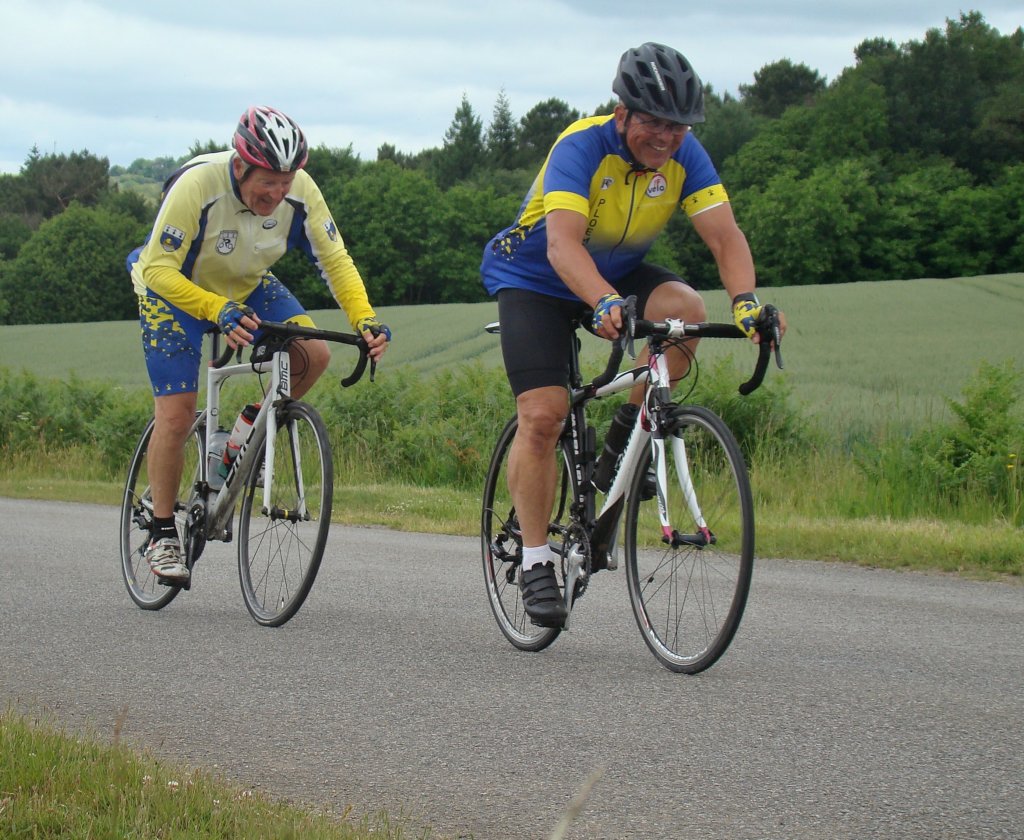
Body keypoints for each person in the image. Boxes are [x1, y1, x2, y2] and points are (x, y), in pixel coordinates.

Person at [480, 42, 786, 627]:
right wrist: (599, 300)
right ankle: (537, 559)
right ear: (622, 113)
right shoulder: (581, 146)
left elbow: (725, 236)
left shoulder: (685, 155)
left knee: (685, 312)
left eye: (678, 125)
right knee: (543, 415)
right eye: (653, 122)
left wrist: (746, 303)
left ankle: (623, 440)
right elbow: (562, 245)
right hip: (535, 278)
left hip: (615, 273)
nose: (666, 137)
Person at [128, 105, 390, 584]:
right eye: (267, 182)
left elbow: (335, 260)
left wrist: (365, 318)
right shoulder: (199, 185)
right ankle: (162, 531)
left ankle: (243, 434)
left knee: (313, 354)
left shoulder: (302, 191)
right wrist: (215, 309)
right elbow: (156, 268)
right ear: (240, 165)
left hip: (246, 285)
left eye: (285, 183)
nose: (276, 193)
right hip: (175, 292)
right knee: (177, 413)